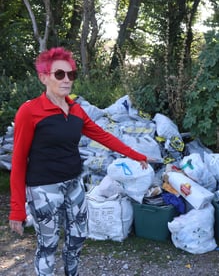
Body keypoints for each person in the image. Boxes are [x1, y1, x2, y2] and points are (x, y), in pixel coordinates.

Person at [9, 47, 152, 276]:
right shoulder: (30, 111)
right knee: (48, 244)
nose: (67, 80)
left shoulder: (75, 109)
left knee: (77, 237)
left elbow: (102, 135)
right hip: (44, 188)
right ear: (43, 77)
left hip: (74, 183)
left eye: (71, 75)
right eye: (59, 74)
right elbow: (18, 162)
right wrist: (17, 209)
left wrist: (136, 155)